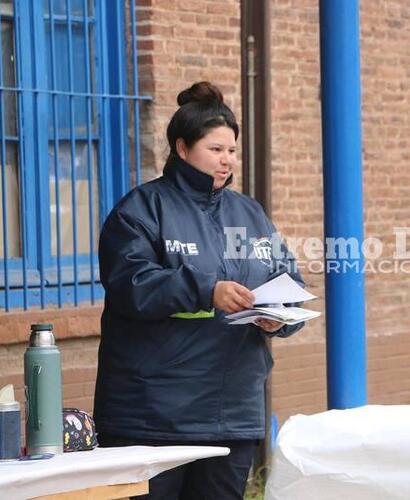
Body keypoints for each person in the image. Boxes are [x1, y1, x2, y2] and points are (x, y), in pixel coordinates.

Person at [93, 82, 304, 500]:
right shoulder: (140, 210)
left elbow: (287, 277)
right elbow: (131, 285)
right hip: (152, 416)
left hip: (232, 411)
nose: (226, 160)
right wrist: (207, 290)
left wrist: (278, 315)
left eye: (231, 150)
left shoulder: (248, 213)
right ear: (182, 148)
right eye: (215, 149)